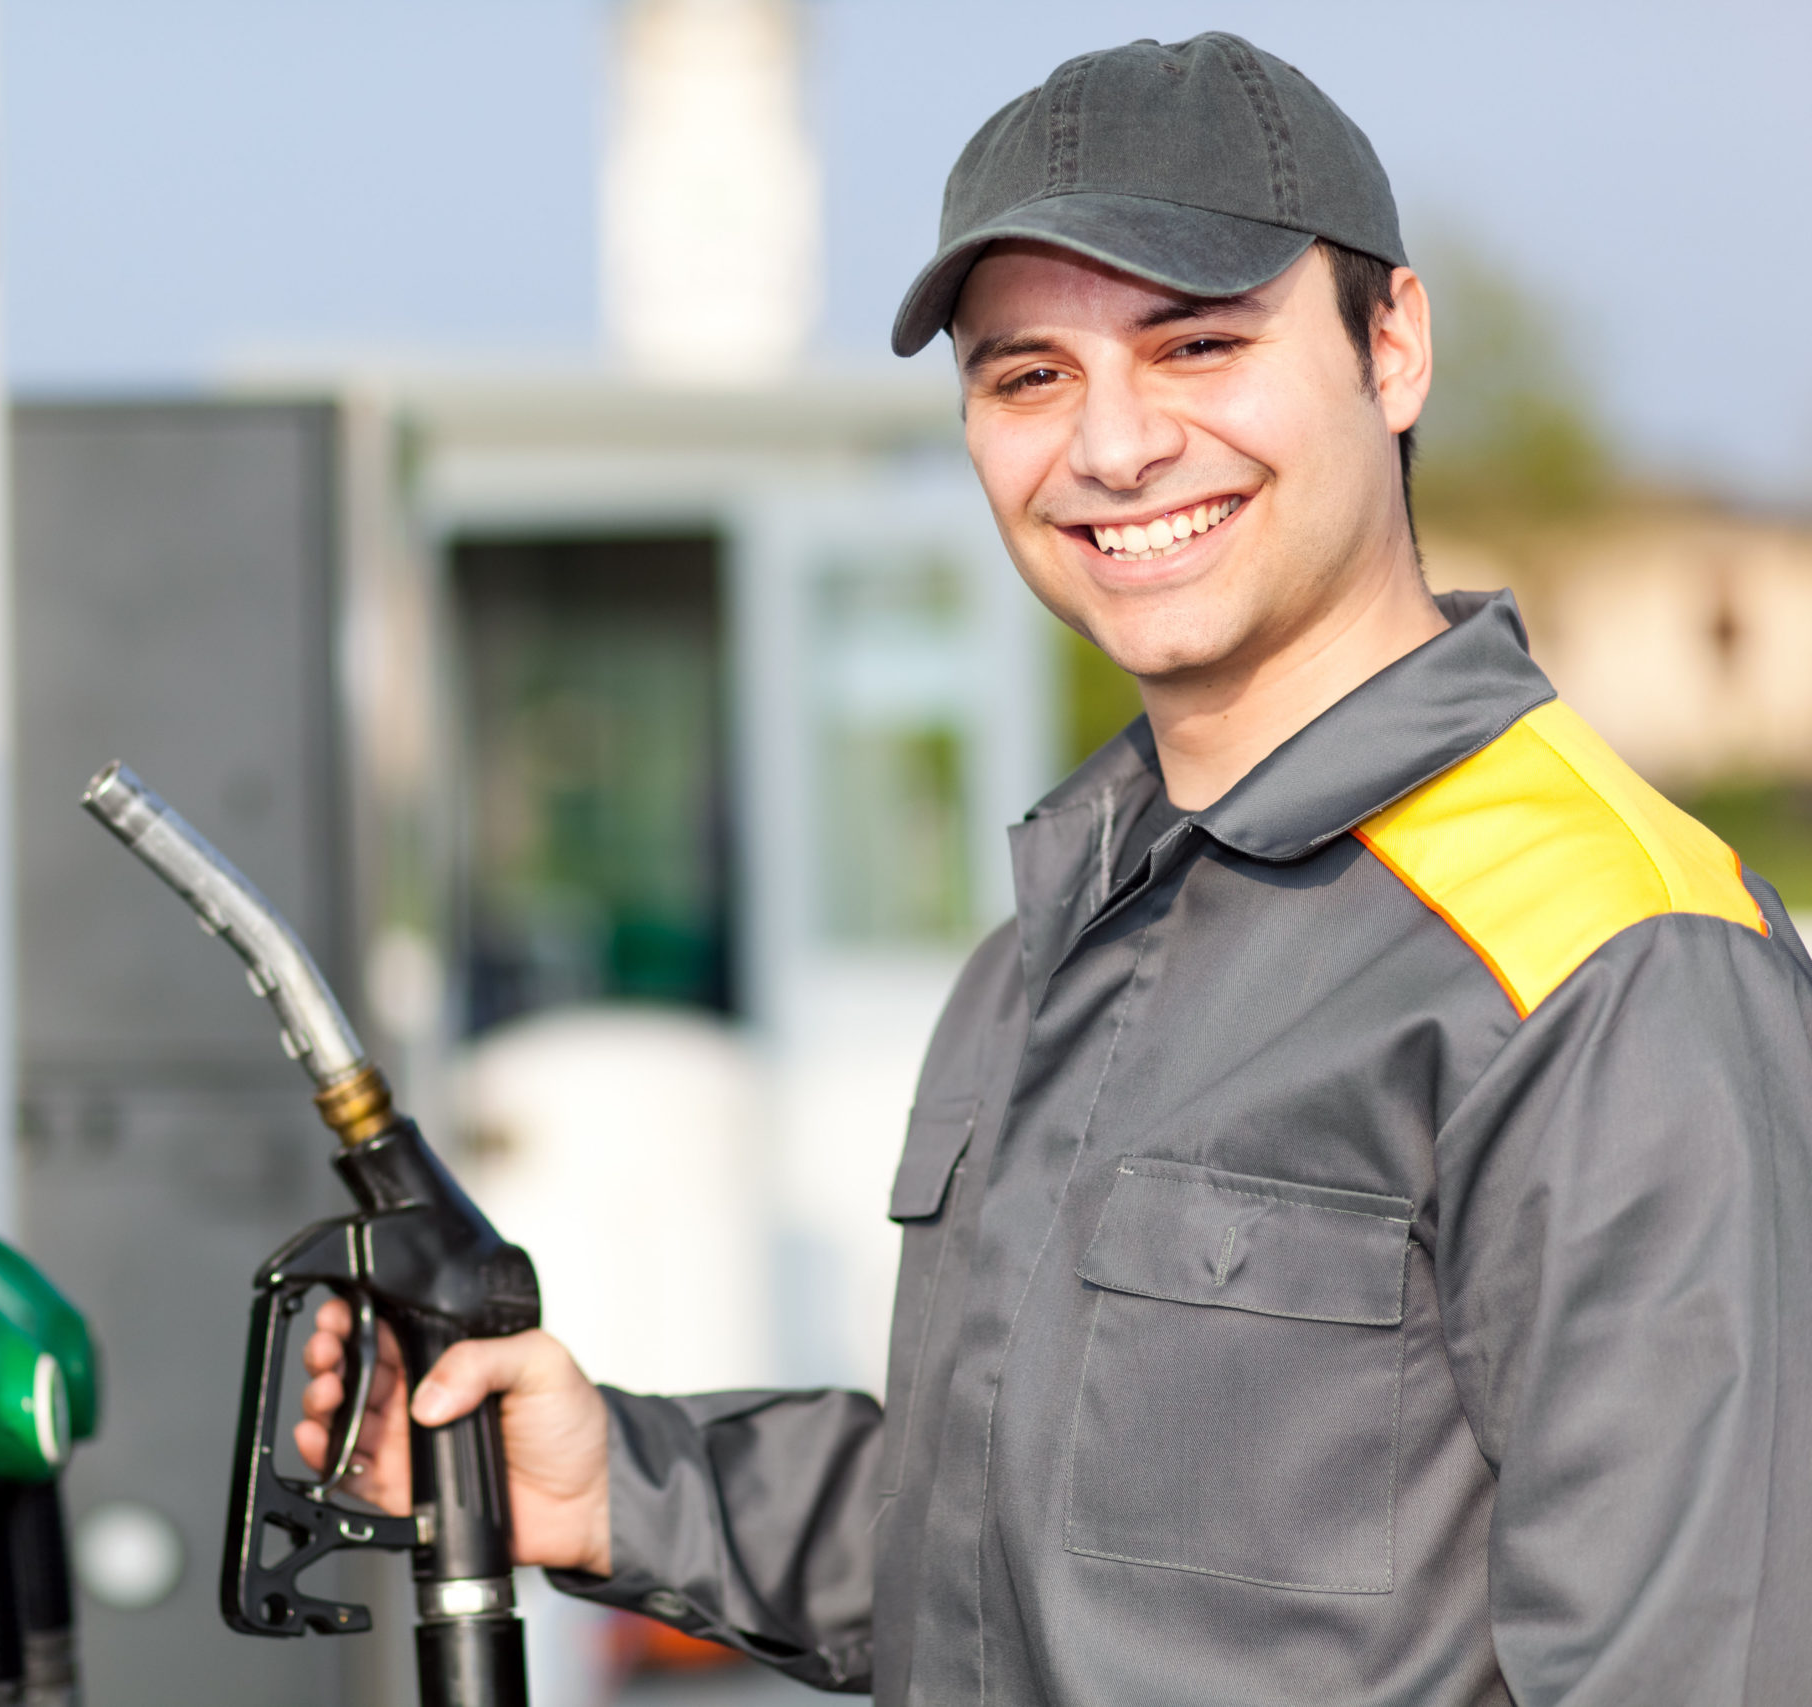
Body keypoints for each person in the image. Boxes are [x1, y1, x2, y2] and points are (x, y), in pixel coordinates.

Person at [299, 32, 1812, 1704]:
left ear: (1396, 349)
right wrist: (614, 1489)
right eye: (1028, 376)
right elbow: (1012, 1557)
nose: (1113, 447)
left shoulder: (1610, 960)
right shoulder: (1056, 940)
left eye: (1200, 346)